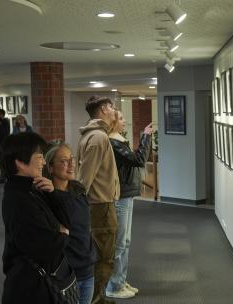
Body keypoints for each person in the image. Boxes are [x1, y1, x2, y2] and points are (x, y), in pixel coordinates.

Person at [1, 132, 72, 304]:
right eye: (39, 157)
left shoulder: (32, 189)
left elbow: (66, 223)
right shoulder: (18, 199)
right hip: (30, 288)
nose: (44, 162)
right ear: (20, 162)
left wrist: (52, 194)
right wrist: (65, 234)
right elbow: (47, 247)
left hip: (38, 283)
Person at [77, 96, 119, 304]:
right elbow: (84, 178)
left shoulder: (93, 135)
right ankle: (95, 300)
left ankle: (97, 298)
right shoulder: (98, 138)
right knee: (103, 257)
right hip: (100, 206)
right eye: (112, 107)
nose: (114, 111)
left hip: (99, 204)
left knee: (102, 255)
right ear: (103, 109)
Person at [105, 111, 152, 299]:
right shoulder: (113, 142)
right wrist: (146, 137)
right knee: (120, 244)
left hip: (127, 195)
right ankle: (114, 286)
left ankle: (120, 280)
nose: (125, 122)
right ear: (114, 122)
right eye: (122, 119)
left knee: (126, 242)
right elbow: (139, 160)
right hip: (121, 196)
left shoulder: (118, 140)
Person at [44, 143, 96, 304]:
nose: (71, 164)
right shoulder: (47, 197)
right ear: (50, 167)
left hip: (87, 267)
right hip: (66, 273)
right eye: (63, 161)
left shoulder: (78, 189)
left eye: (71, 159)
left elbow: (84, 228)